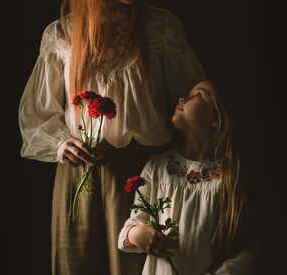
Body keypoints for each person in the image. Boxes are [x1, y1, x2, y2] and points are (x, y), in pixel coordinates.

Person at [18, 0, 205, 274]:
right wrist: (60, 144)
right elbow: (35, 114)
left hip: (144, 176)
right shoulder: (62, 33)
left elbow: (193, 104)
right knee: (77, 264)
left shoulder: (161, 27)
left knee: (137, 265)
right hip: (78, 177)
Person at [118, 80, 262, 275]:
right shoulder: (158, 167)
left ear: (217, 118)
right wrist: (137, 234)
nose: (182, 98)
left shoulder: (233, 175)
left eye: (198, 95)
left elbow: (248, 248)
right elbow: (132, 224)